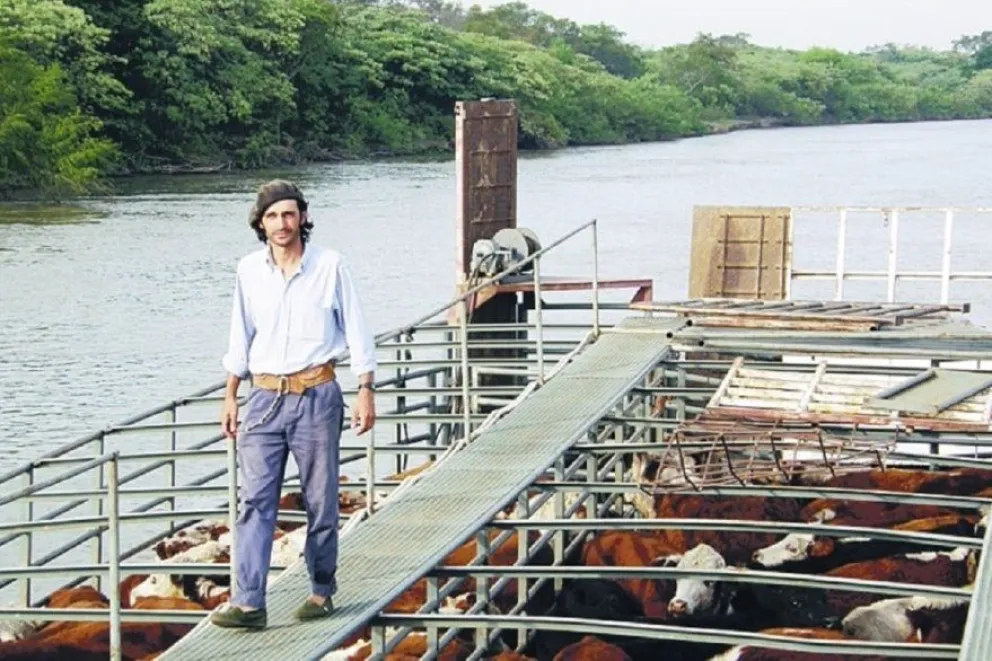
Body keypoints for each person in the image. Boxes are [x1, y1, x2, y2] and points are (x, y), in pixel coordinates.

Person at [210, 179, 377, 630]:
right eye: (272, 216)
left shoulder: (330, 265)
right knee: (255, 500)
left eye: (288, 214)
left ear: (302, 217)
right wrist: (230, 395)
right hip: (263, 398)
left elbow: (357, 329)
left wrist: (365, 388)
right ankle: (249, 603)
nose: (281, 224)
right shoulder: (248, 270)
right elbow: (240, 335)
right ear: (260, 224)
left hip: (316, 394)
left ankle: (321, 590)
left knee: (320, 499)